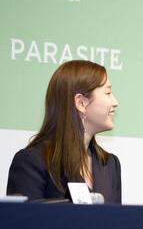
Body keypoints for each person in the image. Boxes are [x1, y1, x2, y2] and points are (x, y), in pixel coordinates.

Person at [7, 60, 121, 203]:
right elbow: (24, 223)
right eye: (108, 93)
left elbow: (116, 222)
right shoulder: (32, 162)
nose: (115, 102)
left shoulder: (110, 164)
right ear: (81, 103)